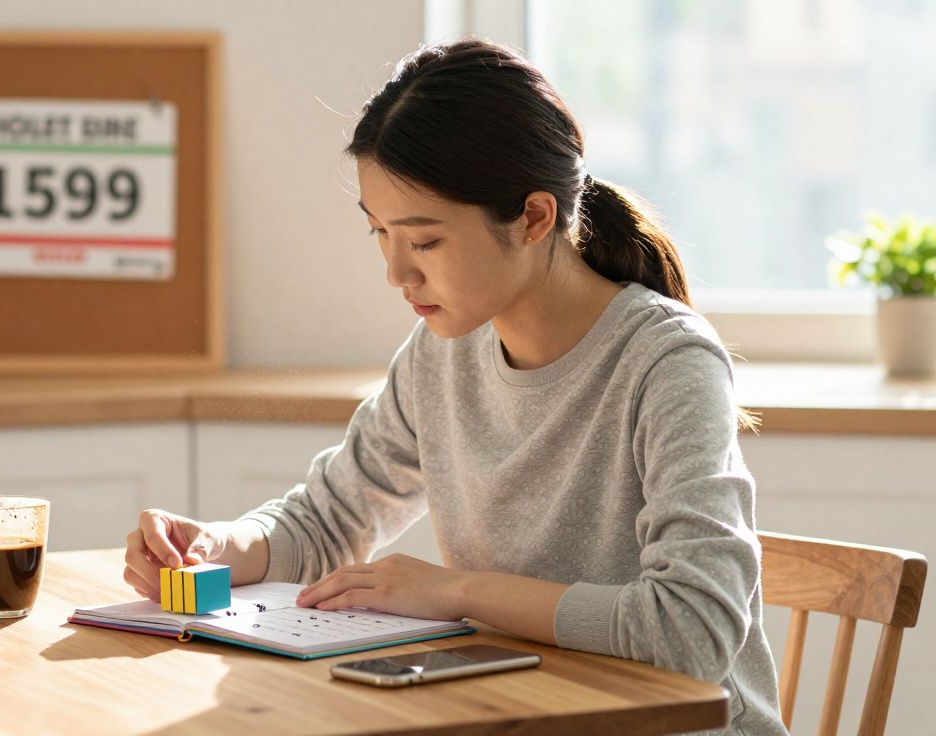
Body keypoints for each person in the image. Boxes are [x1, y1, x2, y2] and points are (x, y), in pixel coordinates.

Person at [124, 38, 786, 735]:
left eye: (425, 242)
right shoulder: (441, 354)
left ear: (534, 218)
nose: (397, 275)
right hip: (526, 713)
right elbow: (327, 520)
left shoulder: (667, 362)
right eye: (380, 233)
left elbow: (691, 629)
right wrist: (218, 547)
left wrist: (455, 592)